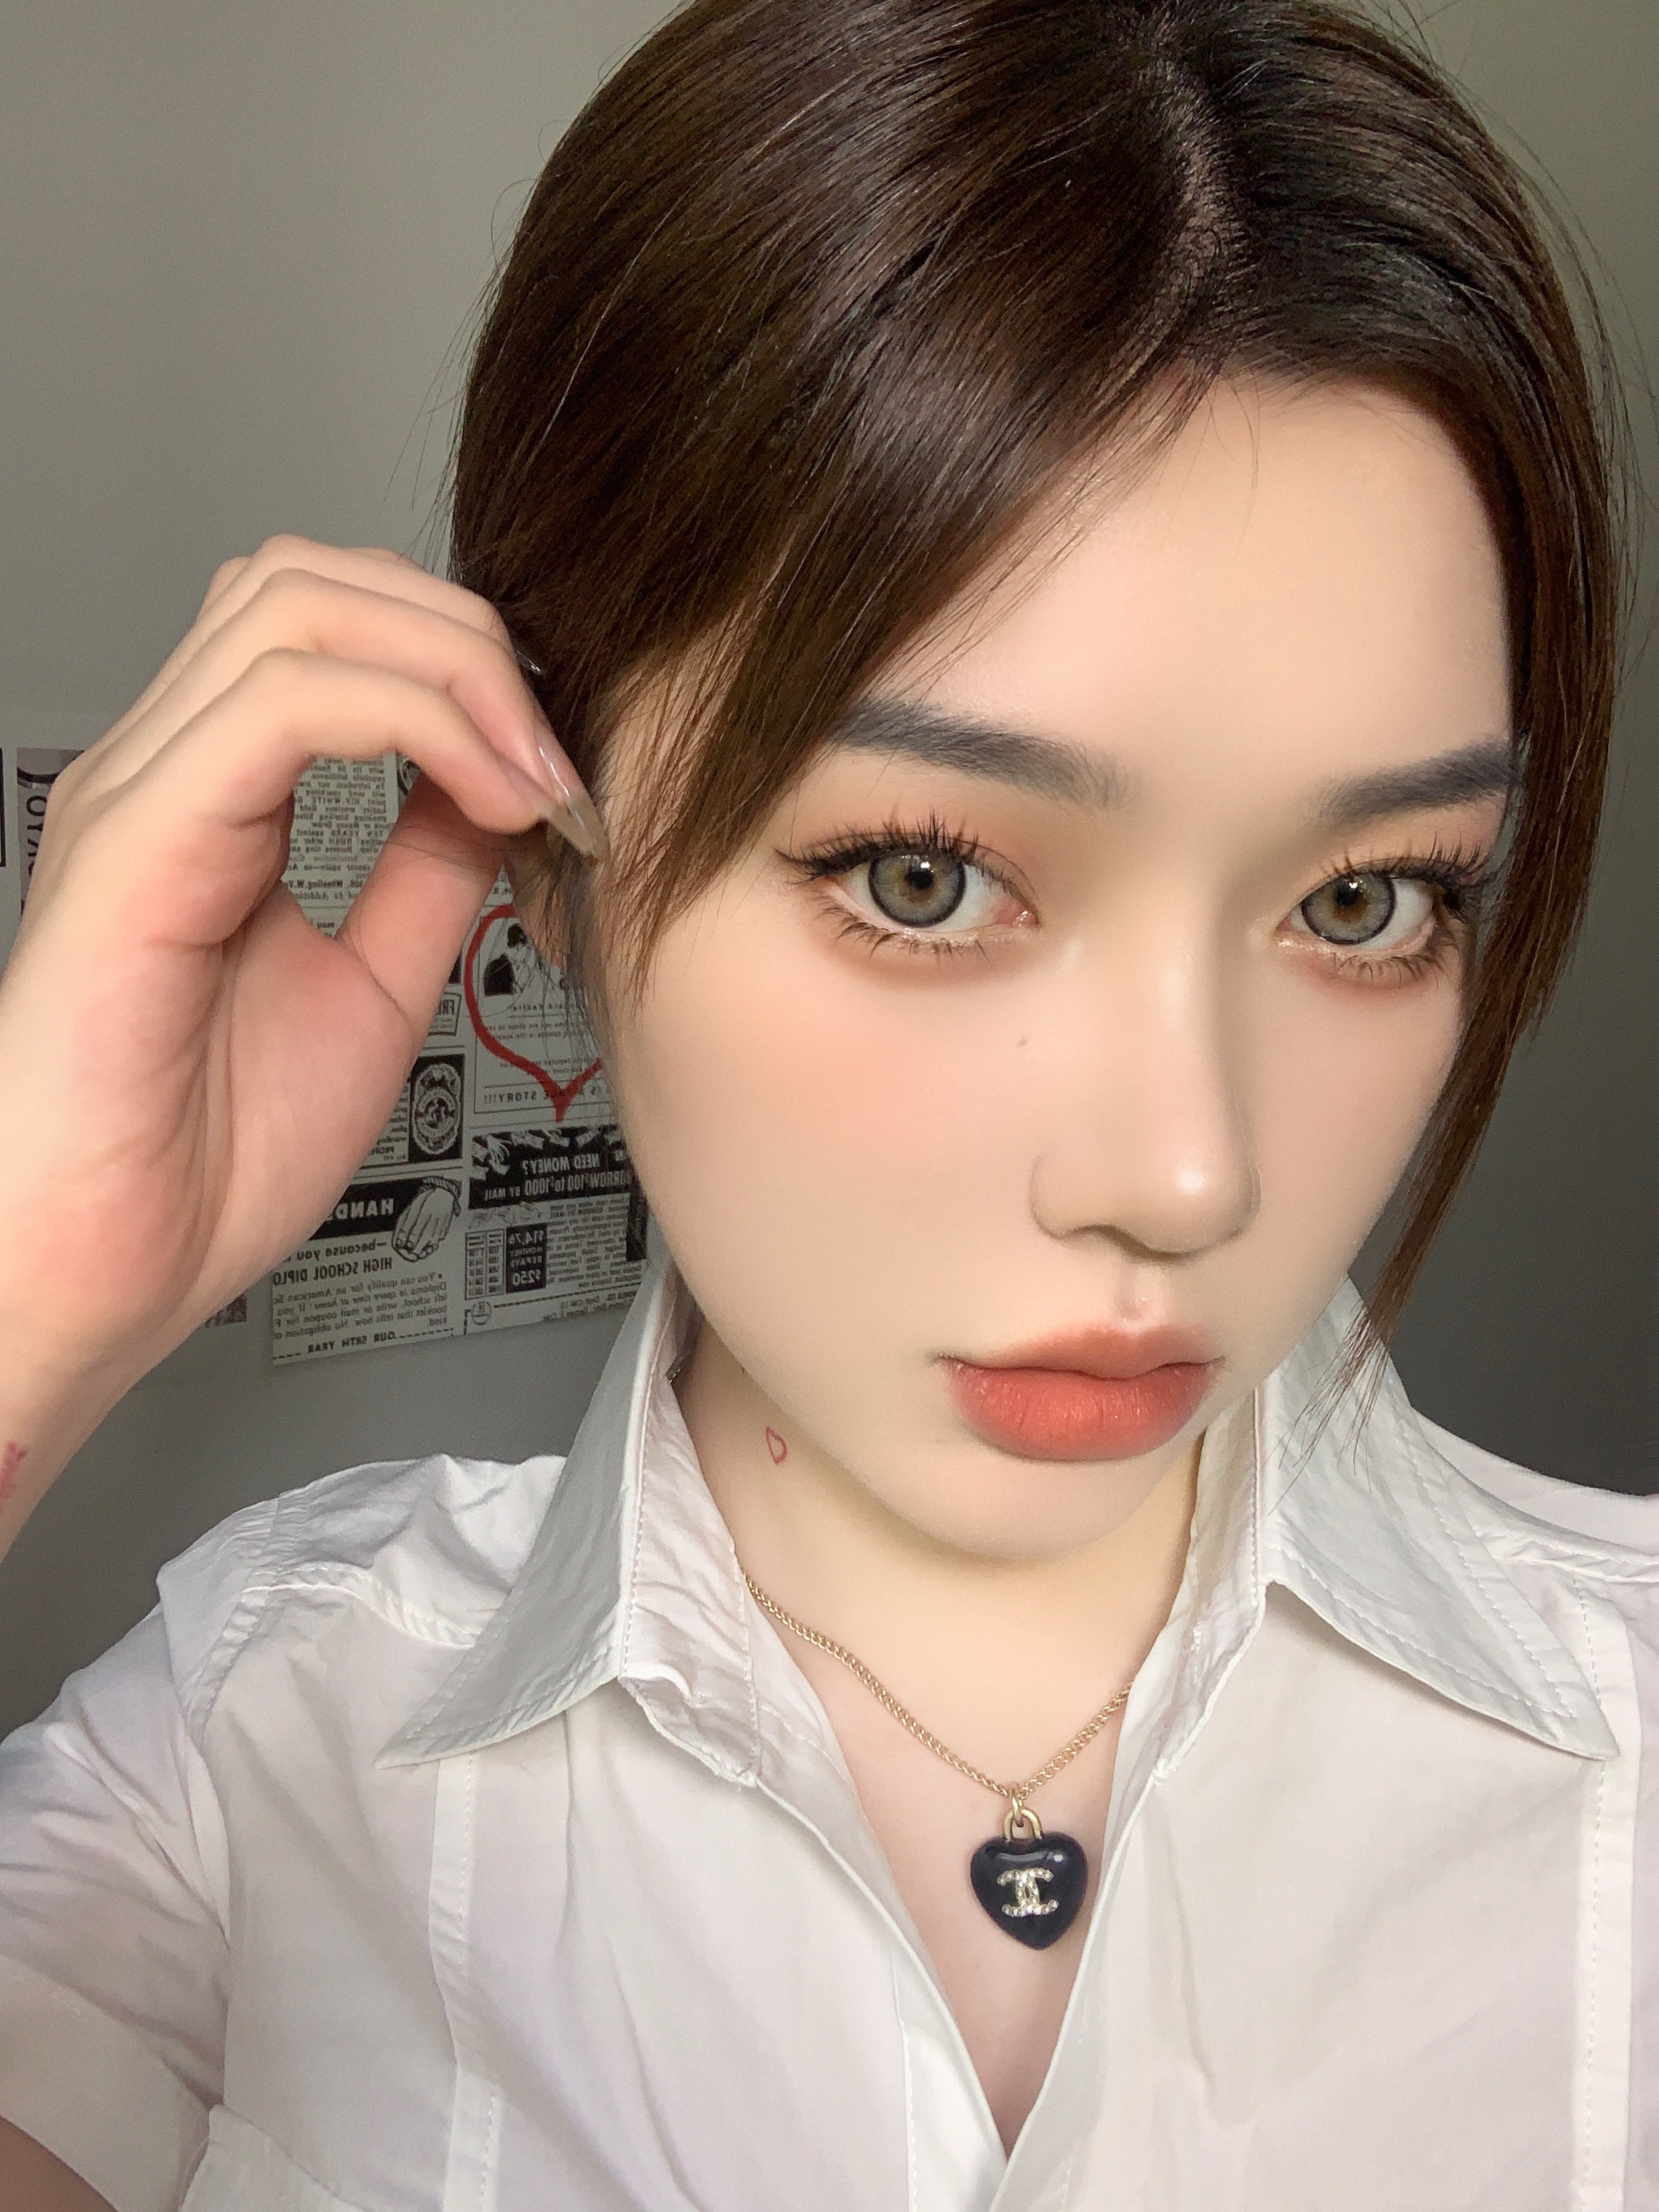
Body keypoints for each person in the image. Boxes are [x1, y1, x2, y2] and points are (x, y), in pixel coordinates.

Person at [0, 1, 1650, 2206]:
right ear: (548, 850)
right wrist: (23, 1285)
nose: (1183, 1174)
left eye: (1362, 900)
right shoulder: (247, 1760)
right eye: (923, 877)